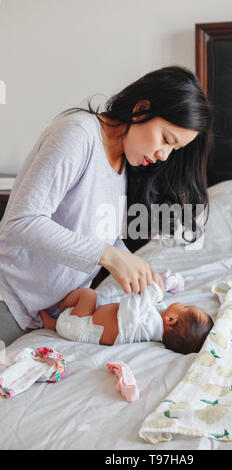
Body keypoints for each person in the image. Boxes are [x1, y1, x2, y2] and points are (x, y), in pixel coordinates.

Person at [0, 65, 212, 346]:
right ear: (141, 109)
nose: (164, 155)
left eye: (174, 149)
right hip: (11, 300)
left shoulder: (122, 163)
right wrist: (111, 257)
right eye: (165, 139)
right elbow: (21, 222)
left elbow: (99, 236)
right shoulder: (78, 134)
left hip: (50, 314)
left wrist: (137, 268)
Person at [39, 283, 214, 355]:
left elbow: (133, 305)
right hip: (83, 328)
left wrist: (154, 290)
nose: (182, 303)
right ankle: (53, 324)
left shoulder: (149, 323)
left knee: (88, 294)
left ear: (170, 320)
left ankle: (60, 306)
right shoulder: (153, 331)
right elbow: (155, 307)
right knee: (92, 300)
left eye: (185, 307)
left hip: (78, 324)